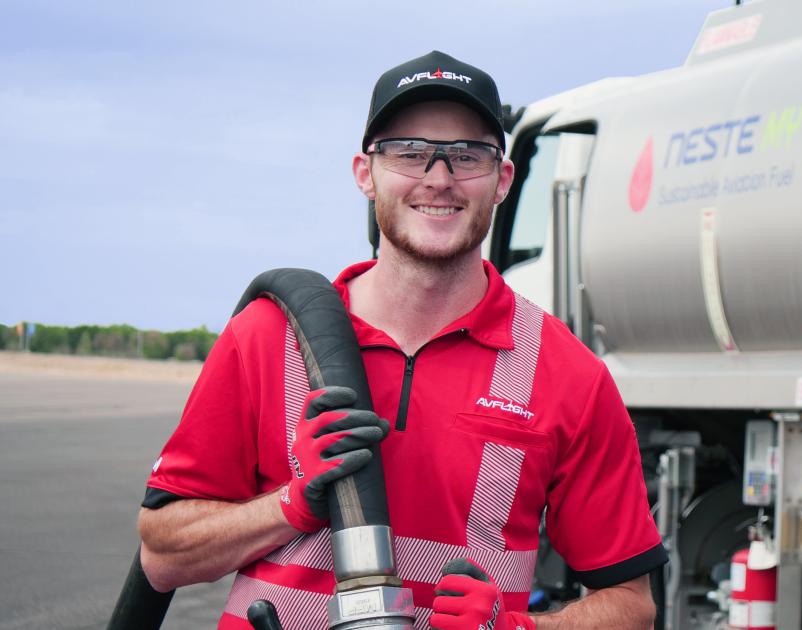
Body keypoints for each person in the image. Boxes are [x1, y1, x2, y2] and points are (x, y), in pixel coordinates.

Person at [138, 50, 665, 630]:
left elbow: (631, 604)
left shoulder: (568, 375)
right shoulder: (266, 337)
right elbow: (161, 557)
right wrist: (289, 504)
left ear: (502, 180)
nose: (438, 178)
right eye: (409, 154)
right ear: (367, 173)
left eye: (467, 156)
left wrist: (522, 629)